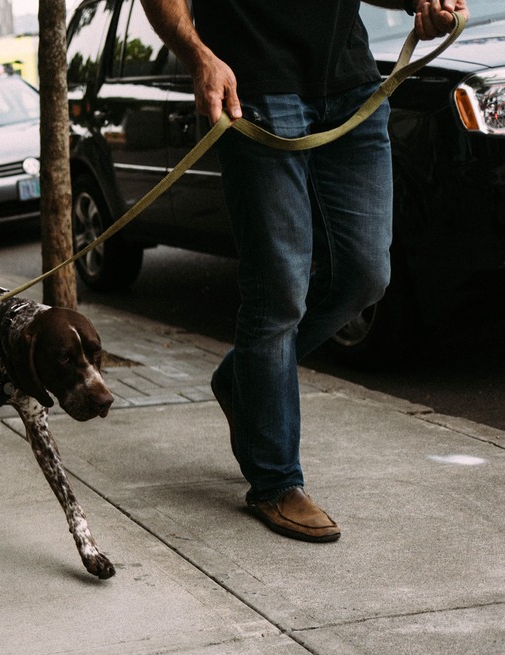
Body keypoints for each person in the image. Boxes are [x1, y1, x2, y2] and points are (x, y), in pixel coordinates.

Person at [140, 0, 463, 542]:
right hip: (256, 89)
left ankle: (242, 376)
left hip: (352, 82)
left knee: (366, 276)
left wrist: (419, 2)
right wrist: (199, 56)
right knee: (279, 291)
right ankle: (274, 481)